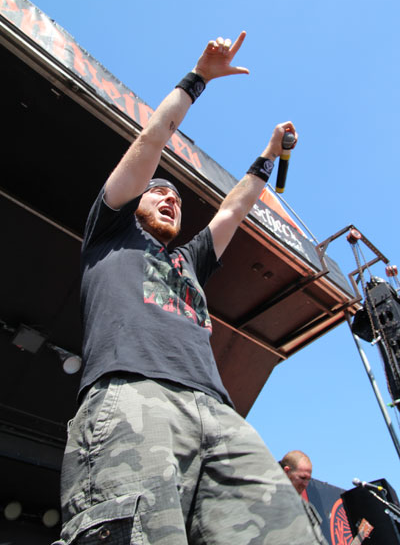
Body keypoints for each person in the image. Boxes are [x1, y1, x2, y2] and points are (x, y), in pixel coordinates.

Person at [54, 32, 320, 545]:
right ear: (133, 200)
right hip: (135, 394)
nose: (171, 198)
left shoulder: (189, 262)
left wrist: (268, 154)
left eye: (177, 198)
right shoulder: (109, 232)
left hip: (218, 413)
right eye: (158, 191)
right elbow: (151, 140)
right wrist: (198, 79)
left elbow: (234, 209)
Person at [279, 451, 329, 545]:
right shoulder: (268, 497)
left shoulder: (306, 508)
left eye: (308, 479)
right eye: (302, 478)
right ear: (286, 471)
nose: (305, 484)